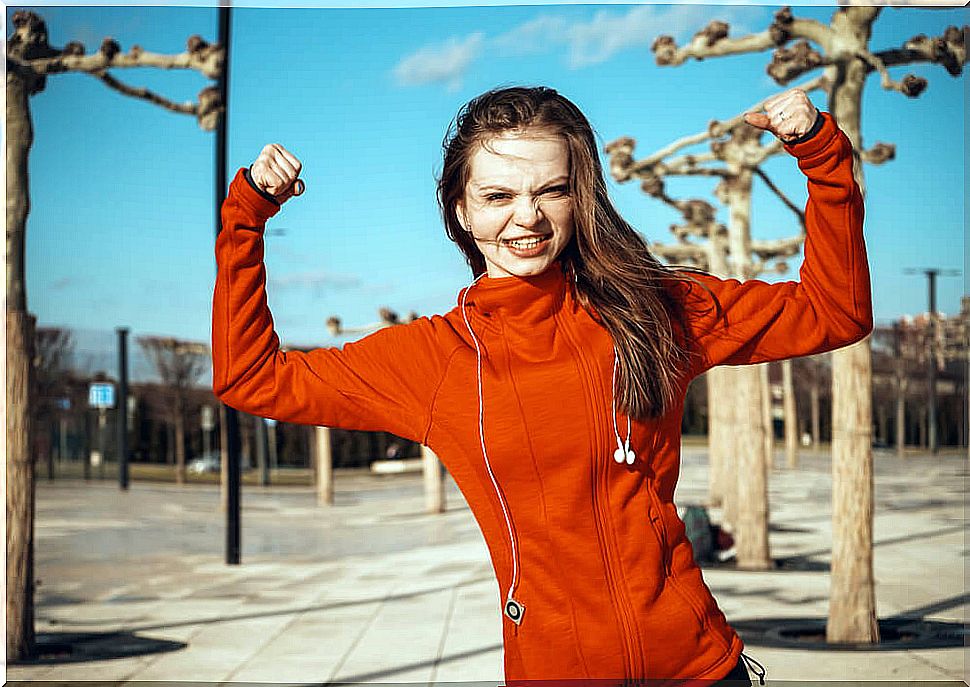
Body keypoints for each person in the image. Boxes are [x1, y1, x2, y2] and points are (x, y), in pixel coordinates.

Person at [212, 85, 870, 686]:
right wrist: (248, 217)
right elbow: (252, 377)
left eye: (550, 191)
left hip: (702, 668)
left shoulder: (653, 310)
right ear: (461, 211)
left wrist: (820, 155)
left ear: (579, 197)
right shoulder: (435, 359)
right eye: (498, 196)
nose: (526, 217)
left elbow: (833, 311)